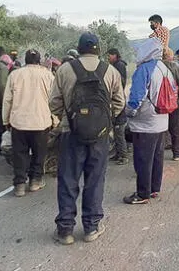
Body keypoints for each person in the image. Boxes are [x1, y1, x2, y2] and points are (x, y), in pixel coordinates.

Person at [49, 32, 124, 245]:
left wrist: (68, 119)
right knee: (95, 180)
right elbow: (119, 102)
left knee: (68, 180)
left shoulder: (64, 69)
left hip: (70, 133)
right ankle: (91, 227)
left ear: (79, 48)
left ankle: (65, 230)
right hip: (100, 136)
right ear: (99, 49)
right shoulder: (109, 70)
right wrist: (105, 121)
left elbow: (54, 103)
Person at [123, 38, 174, 205]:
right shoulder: (165, 69)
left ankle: (142, 194)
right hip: (162, 120)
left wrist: (128, 113)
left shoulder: (144, 69)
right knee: (157, 157)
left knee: (143, 159)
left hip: (145, 123)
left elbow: (136, 98)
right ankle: (154, 189)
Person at [2, 49, 55, 197]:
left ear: (25, 60)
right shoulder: (48, 75)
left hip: (19, 122)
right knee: (39, 154)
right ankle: (35, 181)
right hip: (41, 122)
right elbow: (54, 100)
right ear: (39, 61)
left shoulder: (15, 75)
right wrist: (55, 120)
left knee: (19, 154)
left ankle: (19, 184)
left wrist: (5, 120)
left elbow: (7, 100)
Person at [107, 48, 129, 165]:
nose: (108, 57)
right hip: (117, 100)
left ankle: (123, 156)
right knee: (116, 131)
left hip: (118, 102)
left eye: (110, 55)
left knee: (119, 131)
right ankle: (118, 154)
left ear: (115, 55)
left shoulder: (119, 65)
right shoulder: (117, 65)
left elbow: (121, 82)